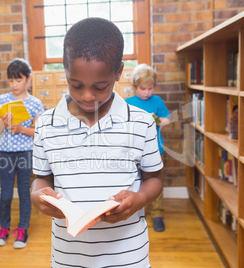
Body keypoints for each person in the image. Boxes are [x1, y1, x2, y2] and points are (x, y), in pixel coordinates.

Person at [31, 17, 163, 267]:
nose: (87, 96)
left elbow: (154, 179)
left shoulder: (141, 122)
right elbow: (41, 178)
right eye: (76, 85)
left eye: (100, 86)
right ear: (65, 69)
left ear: (119, 72)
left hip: (128, 255)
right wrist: (37, 195)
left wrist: (139, 200)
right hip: (68, 255)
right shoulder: (45, 124)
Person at [0, 58, 44, 249]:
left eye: (18, 80)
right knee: (5, 194)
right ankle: (4, 228)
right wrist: (2, 122)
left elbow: (39, 133)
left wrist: (22, 129)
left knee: (24, 192)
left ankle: (23, 229)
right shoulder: (3, 100)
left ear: (28, 79)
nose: (14, 85)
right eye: (11, 81)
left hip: (25, 152)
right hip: (6, 152)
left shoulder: (35, 103)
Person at [126, 63, 170, 232]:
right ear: (135, 87)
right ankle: (136, 210)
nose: (147, 92)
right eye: (143, 89)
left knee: (155, 180)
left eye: (150, 88)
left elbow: (166, 120)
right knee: (135, 181)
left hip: (156, 149)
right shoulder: (128, 103)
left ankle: (158, 214)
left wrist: (157, 120)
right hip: (133, 151)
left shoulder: (157, 101)